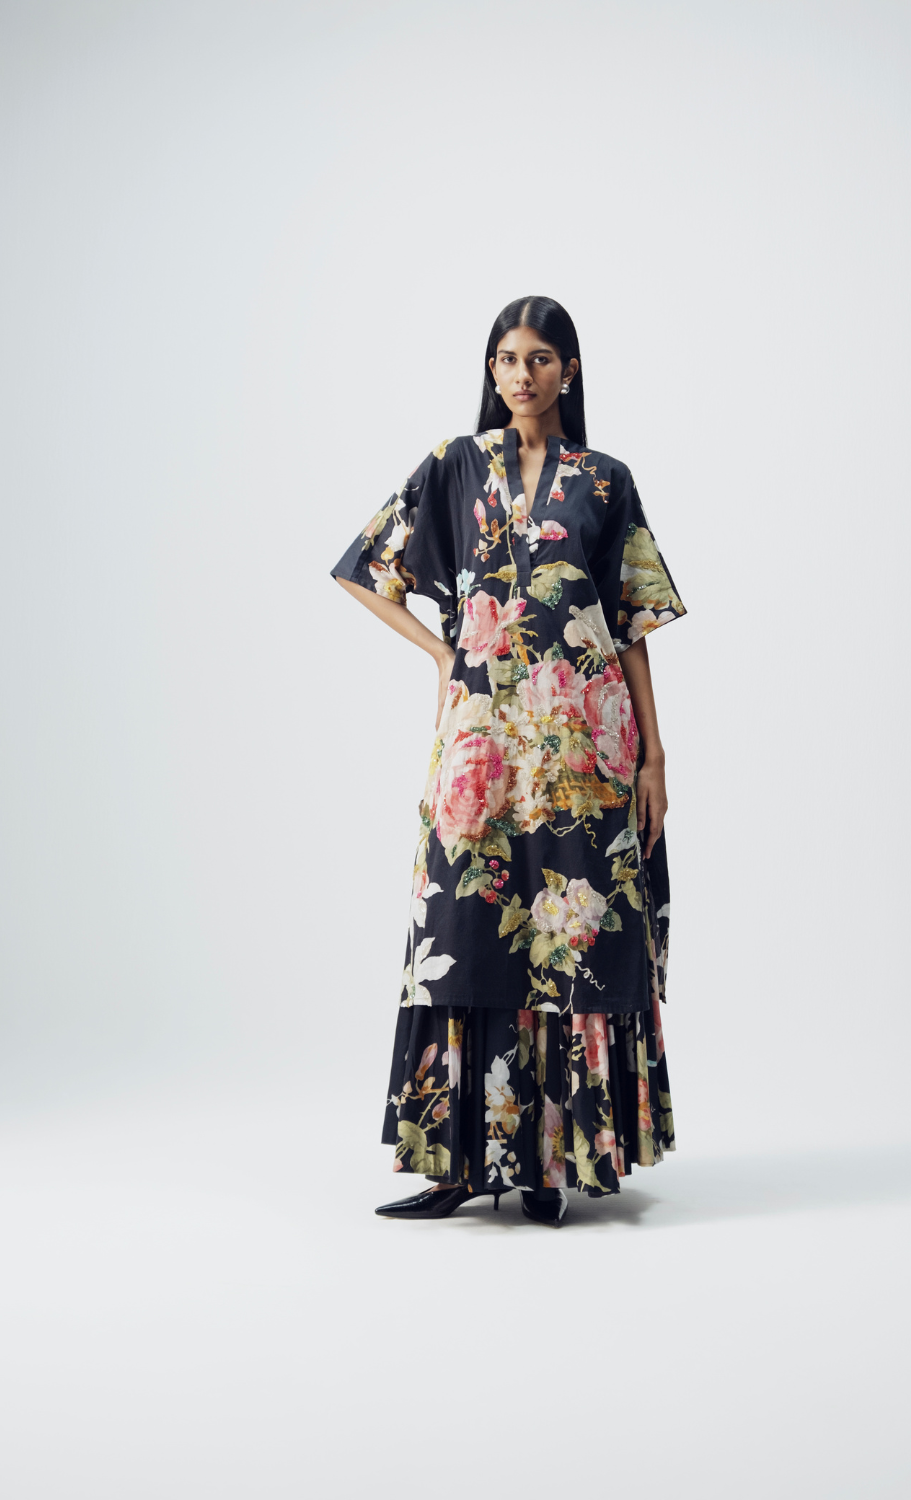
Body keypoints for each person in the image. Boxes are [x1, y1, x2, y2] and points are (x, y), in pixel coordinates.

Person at [331, 295, 686, 1226]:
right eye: (505, 359)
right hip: (481, 741)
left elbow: (631, 625)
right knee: (464, 928)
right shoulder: (456, 465)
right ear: (491, 370)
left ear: (570, 368)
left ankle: (549, 1165)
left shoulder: (605, 481)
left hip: (585, 744)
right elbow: (367, 568)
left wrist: (654, 755)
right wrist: (442, 655)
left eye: (538, 358)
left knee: (574, 938)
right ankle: (456, 1163)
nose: (521, 375)